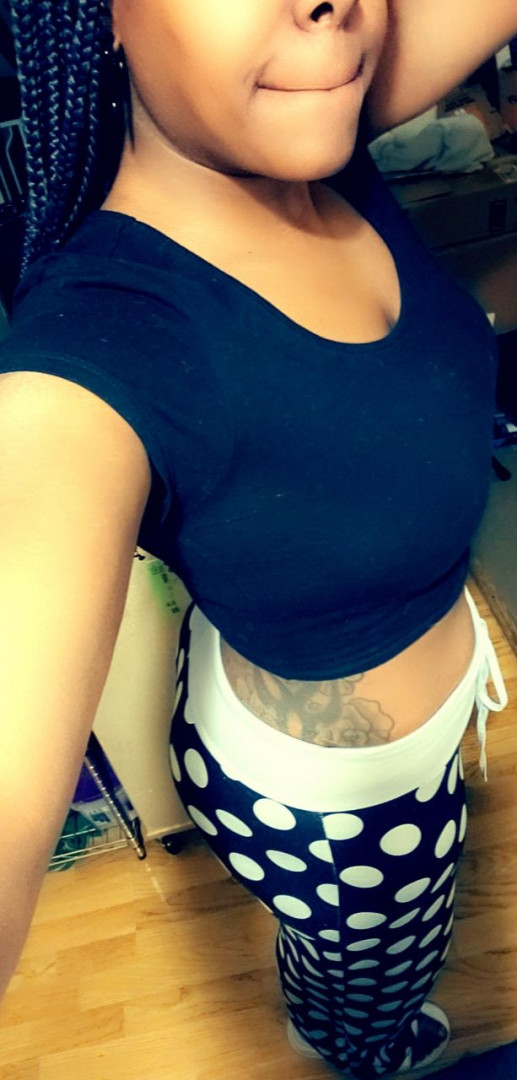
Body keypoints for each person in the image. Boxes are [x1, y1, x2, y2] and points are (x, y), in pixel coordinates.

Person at [0, 1, 515, 1075]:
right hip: (341, 819)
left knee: (356, 956)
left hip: (359, 746)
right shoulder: (99, 345)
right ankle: (353, 1043)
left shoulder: (318, 126)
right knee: (370, 996)